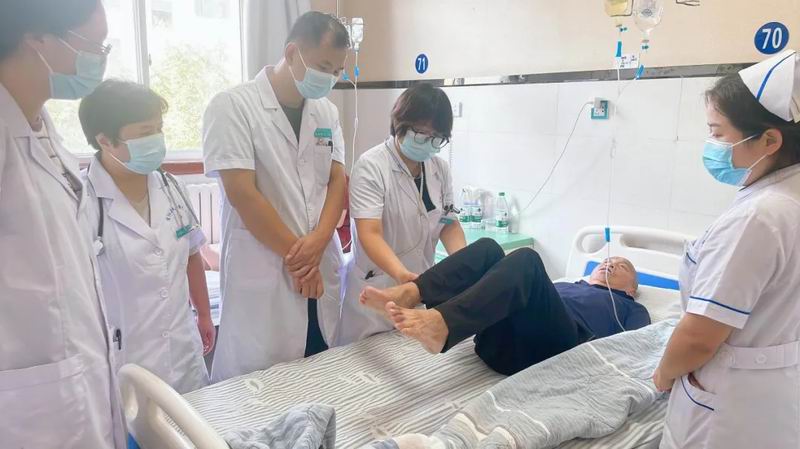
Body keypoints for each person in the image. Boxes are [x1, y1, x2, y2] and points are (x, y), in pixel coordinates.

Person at [653, 50, 800, 449]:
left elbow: (699, 338)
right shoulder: (788, 196)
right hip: (774, 388)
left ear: (770, 140)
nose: (711, 145)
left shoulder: (758, 218)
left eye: (718, 134)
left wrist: (664, 374)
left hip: (730, 404)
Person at [0, 0, 125, 447]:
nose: (99, 59)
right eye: (93, 45)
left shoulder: (41, 125)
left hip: (69, 377)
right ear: (37, 37)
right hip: (27, 393)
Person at [203, 11, 349, 382]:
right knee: (260, 386)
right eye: (323, 67)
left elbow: (336, 180)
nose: (330, 78)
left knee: (319, 369)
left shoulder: (326, 112)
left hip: (318, 263)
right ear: (291, 53)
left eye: (337, 71)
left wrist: (319, 242)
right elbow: (243, 194)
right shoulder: (232, 106)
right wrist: (302, 261)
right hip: (269, 267)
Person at [79, 80, 214, 394]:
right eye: (144, 132)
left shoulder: (170, 186)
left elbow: (192, 255)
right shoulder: (82, 202)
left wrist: (205, 314)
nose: (156, 139)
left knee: (192, 421)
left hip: (183, 351)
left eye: (159, 128)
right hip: (125, 357)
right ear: (105, 140)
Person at [360, 238, 649, 375]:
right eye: (606, 261)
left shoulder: (630, 307)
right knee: (489, 248)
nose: (610, 264)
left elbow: (638, 348)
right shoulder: (567, 285)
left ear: (632, 288)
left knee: (527, 259)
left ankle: (443, 324)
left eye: (621, 266)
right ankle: (412, 292)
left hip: (554, 348)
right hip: (496, 345)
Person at [337, 84, 467, 346]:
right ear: (400, 124)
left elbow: (448, 223)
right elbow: (369, 233)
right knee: (366, 358)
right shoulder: (371, 167)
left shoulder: (439, 169)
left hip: (417, 288)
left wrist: (465, 264)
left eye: (437, 138)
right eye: (421, 134)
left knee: (410, 352)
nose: (428, 143)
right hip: (378, 286)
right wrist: (401, 274)